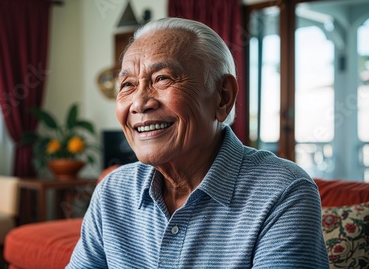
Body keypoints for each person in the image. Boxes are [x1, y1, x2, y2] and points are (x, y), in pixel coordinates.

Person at [67, 17, 329, 268]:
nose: (139, 103)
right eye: (127, 84)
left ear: (223, 97)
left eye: (162, 79)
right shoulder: (113, 191)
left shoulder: (283, 191)